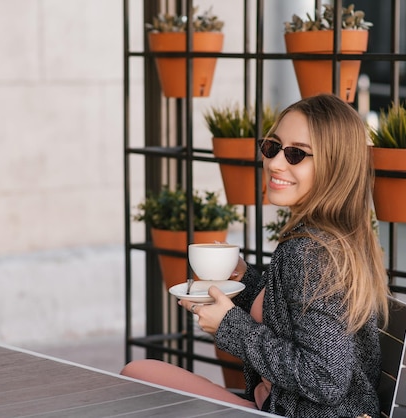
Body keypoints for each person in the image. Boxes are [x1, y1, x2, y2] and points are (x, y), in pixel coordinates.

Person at [121, 93, 390, 418]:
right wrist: (243, 279)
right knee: (141, 373)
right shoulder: (330, 238)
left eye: (296, 154)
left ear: (335, 167)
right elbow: (294, 318)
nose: (276, 162)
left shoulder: (313, 251)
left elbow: (325, 378)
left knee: (138, 377)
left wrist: (229, 326)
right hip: (280, 405)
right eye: (272, 147)